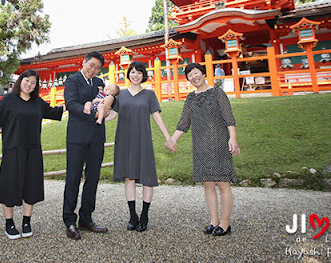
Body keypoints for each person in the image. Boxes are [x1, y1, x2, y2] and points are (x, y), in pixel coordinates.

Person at [0, 70, 65, 240]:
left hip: (33, 150)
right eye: (26, 81)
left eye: (33, 83)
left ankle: (27, 222)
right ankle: (9, 223)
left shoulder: (37, 102)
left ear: (36, 86)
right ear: (20, 81)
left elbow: (53, 112)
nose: (29, 84)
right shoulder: (8, 100)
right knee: (10, 185)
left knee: (31, 185)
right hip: (13, 149)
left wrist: (73, 104)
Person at [169, 62, 241, 237]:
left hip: (219, 143)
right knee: (207, 184)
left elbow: (228, 117)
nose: (194, 77)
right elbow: (184, 122)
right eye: (190, 76)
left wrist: (233, 138)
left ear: (202, 73)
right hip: (201, 145)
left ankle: (225, 223)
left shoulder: (217, 93)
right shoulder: (190, 98)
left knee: (223, 183)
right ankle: (214, 221)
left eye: (196, 73)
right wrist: (173, 140)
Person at [103, 61, 175, 232]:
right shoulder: (120, 95)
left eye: (139, 72)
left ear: (143, 75)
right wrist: (95, 119)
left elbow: (156, 117)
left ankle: (144, 215)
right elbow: (113, 115)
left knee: (147, 177)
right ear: (128, 74)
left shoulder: (149, 95)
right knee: (129, 177)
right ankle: (132, 215)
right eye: (133, 72)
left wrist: (168, 138)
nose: (135, 75)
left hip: (143, 140)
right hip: (125, 140)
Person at [63, 51, 109, 240]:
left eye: (97, 68)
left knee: (93, 178)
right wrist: (93, 114)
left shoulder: (99, 83)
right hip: (77, 137)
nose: (93, 70)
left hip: (97, 137)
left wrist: (106, 109)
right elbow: (71, 104)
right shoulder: (72, 81)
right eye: (91, 65)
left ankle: (86, 217)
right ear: (84, 62)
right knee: (73, 177)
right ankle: (69, 220)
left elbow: (107, 101)